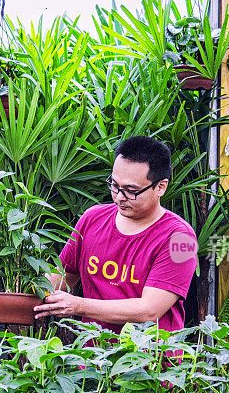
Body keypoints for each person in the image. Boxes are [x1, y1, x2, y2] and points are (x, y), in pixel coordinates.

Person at [33, 135, 198, 333]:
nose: (119, 197)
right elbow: (61, 278)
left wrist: (78, 306)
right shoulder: (92, 219)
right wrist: (26, 283)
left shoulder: (181, 238)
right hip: (91, 357)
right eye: (115, 185)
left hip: (150, 359)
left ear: (160, 187)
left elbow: (149, 310)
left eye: (131, 190)